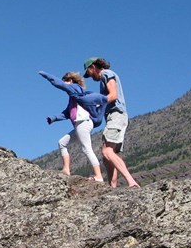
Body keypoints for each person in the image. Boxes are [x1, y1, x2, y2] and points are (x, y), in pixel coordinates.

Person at [83, 57, 139, 188]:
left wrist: (94, 102)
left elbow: (113, 95)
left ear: (93, 67)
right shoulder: (107, 76)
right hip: (114, 116)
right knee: (107, 156)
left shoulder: (107, 74)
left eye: (89, 73)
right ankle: (112, 186)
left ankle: (131, 182)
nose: (90, 77)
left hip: (116, 115)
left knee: (107, 152)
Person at [39, 71, 104, 182]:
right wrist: (53, 118)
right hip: (80, 124)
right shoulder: (73, 99)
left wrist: (46, 75)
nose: (64, 83)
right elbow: (67, 113)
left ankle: (98, 176)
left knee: (87, 148)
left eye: (66, 81)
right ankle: (66, 169)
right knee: (62, 143)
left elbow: (59, 84)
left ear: (71, 81)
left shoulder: (75, 88)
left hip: (82, 122)